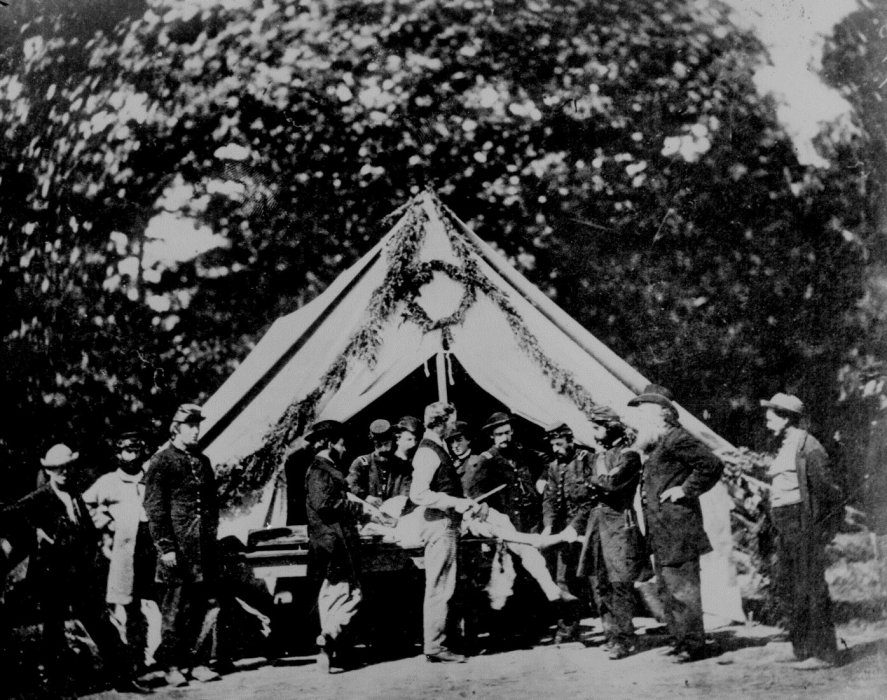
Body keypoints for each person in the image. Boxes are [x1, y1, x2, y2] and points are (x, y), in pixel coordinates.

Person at [0, 444, 149, 695]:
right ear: (48, 471)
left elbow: (88, 529)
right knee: (54, 634)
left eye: (68, 467)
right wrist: (33, 532)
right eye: (58, 469)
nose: (64, 473)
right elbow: (6, 517)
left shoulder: (75, 494)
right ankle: (60, 689)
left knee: (102, 626)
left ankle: (123, 679)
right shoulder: (38, 498)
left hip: (80, 575)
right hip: (52, 577)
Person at [628, 384, 723, 663]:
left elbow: (711, 464)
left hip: (679, 529)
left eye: (643, 416)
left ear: (661, 416)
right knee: (668, 588)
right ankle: (680, 639)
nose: (638, 422)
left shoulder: (676, 439)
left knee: (683, 589)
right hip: (663, 530)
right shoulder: (659, 443)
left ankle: (693, 645)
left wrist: (685, 489)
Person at [761, 392, 841, 670]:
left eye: (771, 414)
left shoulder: (809, 447)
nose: (767, 419)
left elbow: (828, 492)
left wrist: (824, 529)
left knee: (811, 586)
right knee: (792, 586)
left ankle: (824, 653)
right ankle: (803, 648)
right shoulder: (784, 444)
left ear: (785, 417)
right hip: (784, 523)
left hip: (803, 523)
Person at [144, 404, 220, 687]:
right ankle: (172, 665)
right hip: (177, 551)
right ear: (176, 428)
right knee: (175, 610)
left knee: (205, 606)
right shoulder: (162, 461)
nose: (196, 430)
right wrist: (166, 548)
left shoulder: (203, 461)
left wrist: (210, 536)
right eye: (190, 425)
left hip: (203, 549)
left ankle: (199, 663)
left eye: (198, 424)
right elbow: (154, 508)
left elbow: (212, 505)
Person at [409, 401, 482, 663]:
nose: (454, 427)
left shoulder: (436, 448)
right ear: (441, 422)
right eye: (452, 421)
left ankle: (438, 643)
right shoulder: (428, 452)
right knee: (440, 586)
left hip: (445, 523)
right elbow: (418, 494)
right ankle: (435, 646)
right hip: (439, 524)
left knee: (444, 585)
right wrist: (456, 503)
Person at [83, 430, 159, 673]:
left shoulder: (151, 478)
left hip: (153, 549)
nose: (133, 456)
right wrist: (106, 523)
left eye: (137, 451)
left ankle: (168, 657)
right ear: (118, 454)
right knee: (131, 605)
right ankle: (136, 659)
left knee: (165, 600)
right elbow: (86, 504)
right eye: (128, 451)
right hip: (126, 551)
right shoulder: (108, 482)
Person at [577, 421, 645, 660]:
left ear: (612, 429)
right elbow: (582, 487)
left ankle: (626, 639)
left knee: (620, 582)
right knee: (600, 581)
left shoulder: (629, 456)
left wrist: (594, 481)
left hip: (619, 522)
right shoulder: (596, 457)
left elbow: (612, 484)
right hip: (597, 522)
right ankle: (612, 636)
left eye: (598, 428)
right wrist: (596, 481)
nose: (593, 433)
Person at [304, 419, 363, 673]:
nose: (344, 449)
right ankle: (328, 638)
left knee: (335, 595)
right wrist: (355, 506)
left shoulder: (324, 467)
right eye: (341, 444)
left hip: (335, 540)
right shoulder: (320, 469)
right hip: (333, 542)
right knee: (347, 595)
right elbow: (325, 504)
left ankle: (328, 650)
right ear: (329, 443)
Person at [541, 422, 594, 642]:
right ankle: (567, 628)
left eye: (560, 444)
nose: (556, 449)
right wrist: (548, 526)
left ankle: (614, 632)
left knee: (593, 579)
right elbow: (550, 499)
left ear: (571, 441)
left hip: (588, 530)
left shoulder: (587, 459)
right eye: (553, 444)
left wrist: (576, 526)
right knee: (563, 580)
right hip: (565, 533)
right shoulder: (553, 467)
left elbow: (592, 498)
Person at [465, 412, 545, 537]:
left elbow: (545, 460)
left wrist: (543, 478)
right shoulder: (487, 459)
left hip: (532, 515)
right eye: (499, 434)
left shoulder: (521, 451)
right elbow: (473, 488)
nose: (504, 438)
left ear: (512, 431)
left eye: (507, 433)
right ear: (492, 436)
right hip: (510, 517)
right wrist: (483, 503)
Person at [347, 419, 411, 506]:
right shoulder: (361, 463)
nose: (384, 449)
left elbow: (406, 490)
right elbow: (349, 485)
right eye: (379, 445)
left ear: (392, 442)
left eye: (386, 444)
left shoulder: (402, 466)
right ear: (373, 444)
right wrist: (366, 497)